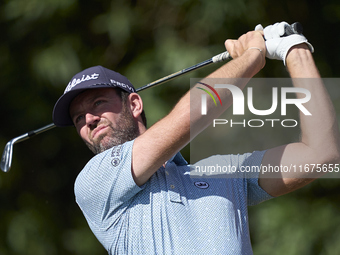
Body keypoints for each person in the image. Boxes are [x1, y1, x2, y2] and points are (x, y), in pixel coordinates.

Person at [52, 22, 340, 254]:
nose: (88, 120)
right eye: (78, 118)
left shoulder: (221, 172)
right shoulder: (94, 182)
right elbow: (188, 120)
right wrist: (253, 57)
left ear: (135, 105)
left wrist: (295, 50)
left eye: (98, 103)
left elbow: (322, 155)